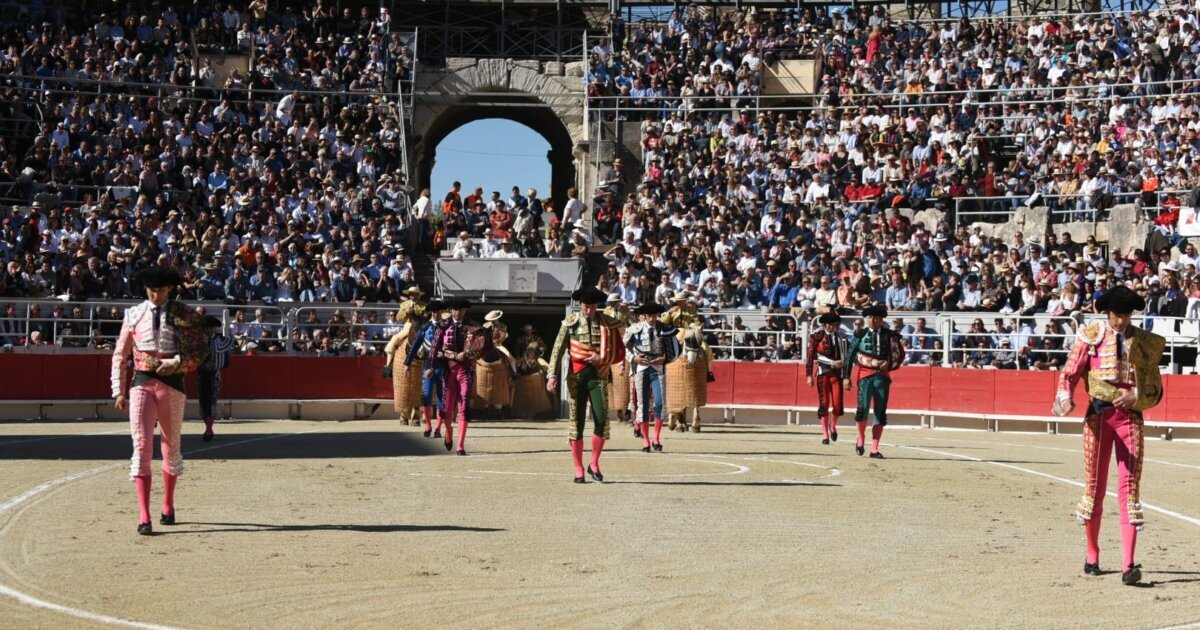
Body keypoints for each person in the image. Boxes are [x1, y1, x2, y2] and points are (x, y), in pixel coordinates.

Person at [1054, 285, 1165, 586]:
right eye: (1117, 316)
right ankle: (1092, 555)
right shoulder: (1090, 336)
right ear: (1107, 313)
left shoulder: (1143, 342)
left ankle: (1129, 564)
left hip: (1130, 418)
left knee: (1129, 490)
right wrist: (1065, 398)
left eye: (1127, 316)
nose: (1121, 322)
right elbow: (1069, 374)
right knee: (1094, 488)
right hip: (1098, 417)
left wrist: (1137, 396)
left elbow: (1155, 390)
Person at [111, 266, 209, 535]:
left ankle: (168, 503)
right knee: (141, 446)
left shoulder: (184, 313)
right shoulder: (133, 314)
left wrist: (175, 361)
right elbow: (121, 355)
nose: (155, 295)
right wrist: (119, 391)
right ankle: (144, 515)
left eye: (161, 290)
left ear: (169, 289)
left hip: (172, 384)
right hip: (142, 381)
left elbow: (199, 351)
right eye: (151, 290)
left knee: (170, 446)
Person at [547, 286, 625, 483]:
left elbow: (620, 352)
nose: (588, 310)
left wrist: (601, 357)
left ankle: (594, 463)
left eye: (591, 307)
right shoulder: (570, 323)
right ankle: (578, 468)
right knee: (577, 423)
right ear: (580, 305)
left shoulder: (606, 324)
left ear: (597, 306)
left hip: (598, 376)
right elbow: (557, 350)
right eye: (585, 306)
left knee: (602, 419)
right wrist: (551, 375)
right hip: (577, 378)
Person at [842, 305, 905, 458]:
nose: (872, 320)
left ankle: (874, 448)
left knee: (880, 411)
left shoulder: (890, 335)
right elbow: (850, 356)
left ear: (881, 319)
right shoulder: (859, 334)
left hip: (882, 377)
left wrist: (889, 364)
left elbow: (899, 355)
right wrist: (846, 376)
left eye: (875, 317)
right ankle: (861, 438)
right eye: (869, 317)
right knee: (862, 408)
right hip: (864, 375)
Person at [429, 297, 487, 455]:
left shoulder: (474, 326)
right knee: (446, 409)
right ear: (451, 310)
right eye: (455, 309)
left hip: (465, 370)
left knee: (463, 406)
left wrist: (466, 353)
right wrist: (431, 366)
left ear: (465, 310)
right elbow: (435, 348)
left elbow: (481, 345)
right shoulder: (443, 325)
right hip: (448, 371)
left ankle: (460, 445)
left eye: (461, 309)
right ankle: (448, 432)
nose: (458, 312)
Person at [624, 302, 679, 452]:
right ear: (644, 316)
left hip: (657, 369)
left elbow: (675, 349)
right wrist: (634, 359)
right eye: (650, 316)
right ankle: (646, 441)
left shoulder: (665, 329)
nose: (652, 319)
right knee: (643, 405)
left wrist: (665, 359)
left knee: (660, 403)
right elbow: (624, 347)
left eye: (655, 316)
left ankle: (657, 438)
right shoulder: (635, 329)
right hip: (641, 369)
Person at [383, 287, 428, 426]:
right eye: (412, 294)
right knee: (394, 341)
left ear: (418, 295)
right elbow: (398, 317)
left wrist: (416, 313)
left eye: (416, 294)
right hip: (407, 328)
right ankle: (388, 364)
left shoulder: (423, 306)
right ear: (409, 295)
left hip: (420, 329)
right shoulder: (404, 305)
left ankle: (416, 415)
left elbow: (426, 318)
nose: (414, 296)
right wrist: (406, 312)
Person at [405, 300, 447, 437]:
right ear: (431, 313)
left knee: (442, 397)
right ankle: (428, 425)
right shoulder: (425, 327)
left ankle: (439, 428)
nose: (436, 314)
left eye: (438, 311)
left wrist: (446, 353)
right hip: (428, 365)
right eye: (434, 311)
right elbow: (415, 345)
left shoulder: (447, 327)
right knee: (427, 396)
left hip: (442, 365)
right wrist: (408, 362)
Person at [806, 312, 849, 445]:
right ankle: (825, 435)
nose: (831, 326)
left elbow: (848, 357)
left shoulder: (842, 338)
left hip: (836, 374)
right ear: (825, 324)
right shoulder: (816, 337)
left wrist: (843, 364)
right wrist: (808, 375)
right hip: (823, 372)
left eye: (833, 324)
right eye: (829, 324)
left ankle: (833, 426)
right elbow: (810, 355)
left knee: (837, 405)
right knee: (824, 404)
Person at [198, 315, 234, 442]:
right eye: (206, 328)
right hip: (202, 373)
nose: (208, 330)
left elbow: (223, 349)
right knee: (203, 400)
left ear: (214, 328)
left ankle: (209, 429)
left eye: (210, 327)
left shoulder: (219, 340)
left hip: (214, 374)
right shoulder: (200, 340)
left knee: (211, 400)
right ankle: (208, 427)